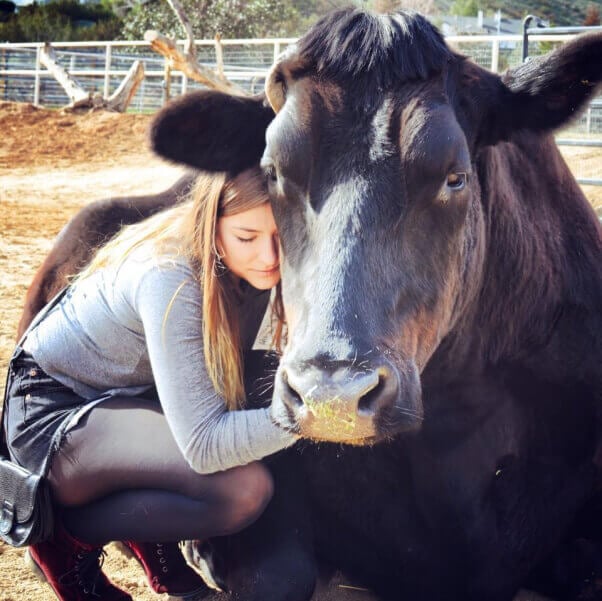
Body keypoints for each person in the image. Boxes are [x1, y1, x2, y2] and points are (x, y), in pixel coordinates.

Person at [2, 167, 298, 601]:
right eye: (246, 237)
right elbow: (203, 444)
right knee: (244, 491)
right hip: (51, 415)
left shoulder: (236, 267)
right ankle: (62, 541)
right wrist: (307, 417)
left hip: (123, 401)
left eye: (281, 233)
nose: (269, 255)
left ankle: (151, 538)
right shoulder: (171, 276)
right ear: (211, 228)